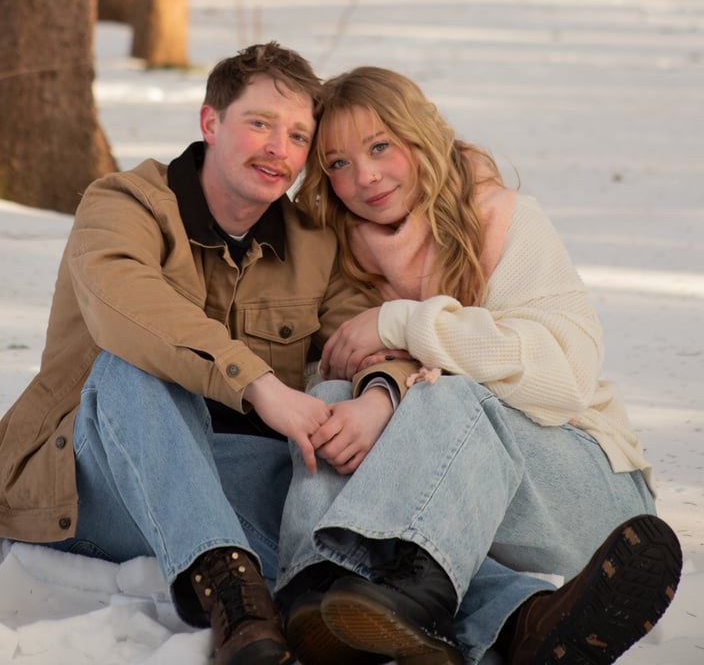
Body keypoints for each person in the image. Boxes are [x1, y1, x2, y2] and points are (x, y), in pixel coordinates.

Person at [0, 44, 413, 665]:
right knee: (131, 364)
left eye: (298, 136)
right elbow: (127, 304)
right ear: (210, 122)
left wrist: (380, 394)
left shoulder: (312, 244)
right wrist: (259, 386)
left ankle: (513, 613)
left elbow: (367, 338)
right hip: (95, 473)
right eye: (260, 123)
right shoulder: (122, 204)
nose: (278, 149)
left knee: (342, 506)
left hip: (225, 469)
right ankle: (235, 600)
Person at [275, 65, 682, 665]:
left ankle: (413, 594)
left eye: (381, 146)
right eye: (338, 162)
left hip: (581, 490)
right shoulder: (341, 252)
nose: (365, 176)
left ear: (419, 136)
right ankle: (321, 593)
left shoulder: (504, 218)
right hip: (449, 506)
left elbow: (565, 376)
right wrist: (380, 395)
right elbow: (330, 370)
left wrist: (403, 323)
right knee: (334, 399)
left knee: (451, 395)